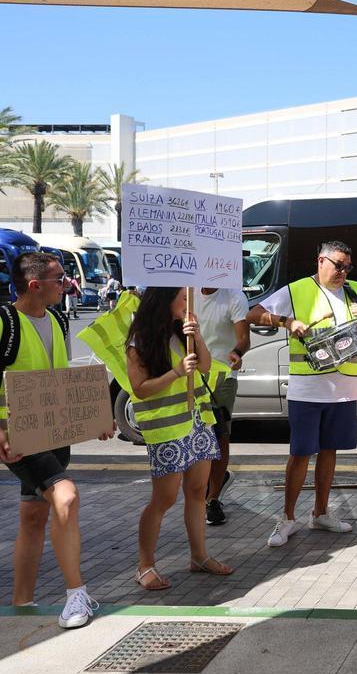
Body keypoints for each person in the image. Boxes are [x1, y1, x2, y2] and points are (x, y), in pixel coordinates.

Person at [0, 252, 114, 628]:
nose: (66, 283)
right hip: (20, 438)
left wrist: (92, 417)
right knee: (67, 496)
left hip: (54, 436)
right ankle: (76, 596)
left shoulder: (58, 317)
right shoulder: (5, 322)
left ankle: (21, 604)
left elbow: (62, 381)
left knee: (34, 516)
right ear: (35, 285)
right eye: (59, 278)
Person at [247, 240, 357, 547]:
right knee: (301, 453)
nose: (343, 272)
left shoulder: (356, 290)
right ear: (321, 261)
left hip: (343, 389)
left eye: (347, 266)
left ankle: (320, 513)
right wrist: (287, 321)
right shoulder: (297, 290)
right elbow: (254, 314)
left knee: (330, 451)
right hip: (307, 388)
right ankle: (288, 518)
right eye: (338, 265)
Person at [127, 286, 234, 590]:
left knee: (198, 491)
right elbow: (140, 388)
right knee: (164, 498)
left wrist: (197, 336)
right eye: (183, 297)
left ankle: (199, 556)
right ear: (164, 300)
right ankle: (145, 565)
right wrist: (175, 373)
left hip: (197, 422)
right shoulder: (140, 342)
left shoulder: (182, 333)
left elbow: (205, 366)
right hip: (168, 429)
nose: (188, 302)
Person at [196, 284, 250, 525]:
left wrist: (237, 353)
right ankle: (203, 488)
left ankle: (213, 498)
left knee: (218, 435)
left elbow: (244, 338)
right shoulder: (185, 293)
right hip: (191, 374)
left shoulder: (234, 296)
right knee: (196, 436)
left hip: (223, 376)